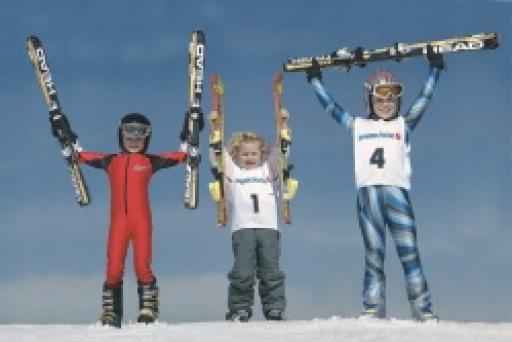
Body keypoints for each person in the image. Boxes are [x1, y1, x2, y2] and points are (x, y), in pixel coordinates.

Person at [304, 46, 444, 321]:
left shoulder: (402, 125)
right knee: (373, 254)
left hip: (396, 193)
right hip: (368, 195)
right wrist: (315, 81)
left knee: (409, 253)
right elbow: (331, 108)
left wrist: (435, 69)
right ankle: (373, 307)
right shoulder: (358, 126)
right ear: (369, 99)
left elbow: (424, 100)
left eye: (392, 97)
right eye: (380, 97)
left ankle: (422, 310)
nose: (387, 103)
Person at [50, 112, 196, 328]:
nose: (134, 141)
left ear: (147, 139)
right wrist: (64, 132)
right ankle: (111, 312)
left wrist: (190, 129)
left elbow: (183, 155)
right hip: (118, 222)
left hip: (141, 221)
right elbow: (78, 154)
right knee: (113, 267)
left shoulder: (150, 161)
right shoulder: (110, 161)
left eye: (140, 137)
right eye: (129, 136)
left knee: (142, 265)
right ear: (121, 136)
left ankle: (148, 309)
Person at [208, 109, 292, 322]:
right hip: (243, 229)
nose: (249, 158)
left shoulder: (268, 171)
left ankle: (274, 308)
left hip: (268, 229)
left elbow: (281, 151)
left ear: (260, 154)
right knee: (243, 272)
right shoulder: (234, 174)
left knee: (270, 270)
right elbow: (218, 157)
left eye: (253, 154)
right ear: (237, 154)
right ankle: (239, 308)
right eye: (245, 154)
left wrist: (283, 125)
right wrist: (214, 129)